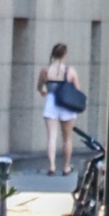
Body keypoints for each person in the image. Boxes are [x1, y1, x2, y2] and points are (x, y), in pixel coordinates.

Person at [37, 43, 82, 175]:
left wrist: (44, 90)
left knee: (51, 137)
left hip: (51, 102)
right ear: (65, 55)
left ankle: (52, 166)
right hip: (67, 104)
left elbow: (40, 87)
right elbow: (77, 89)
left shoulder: (45, 70)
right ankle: (66, 166)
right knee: (67, 138)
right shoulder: (71, 71)